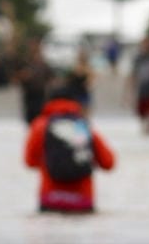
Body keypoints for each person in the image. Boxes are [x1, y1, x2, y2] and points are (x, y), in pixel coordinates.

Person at [24, 76, 116, 214]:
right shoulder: (83, 126)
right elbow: (109, 163)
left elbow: (29, 162)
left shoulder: (40, 126)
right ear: (75, 102)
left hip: (51, 199)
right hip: (83, 201)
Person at [11, 34, 51, 125]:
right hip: (29, 95)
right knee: (30, 120)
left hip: (41, 96)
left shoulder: (43, 63)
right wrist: (23, 76)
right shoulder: (24, 62)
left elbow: (50, 79)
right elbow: (14, 79)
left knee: (41, 120)